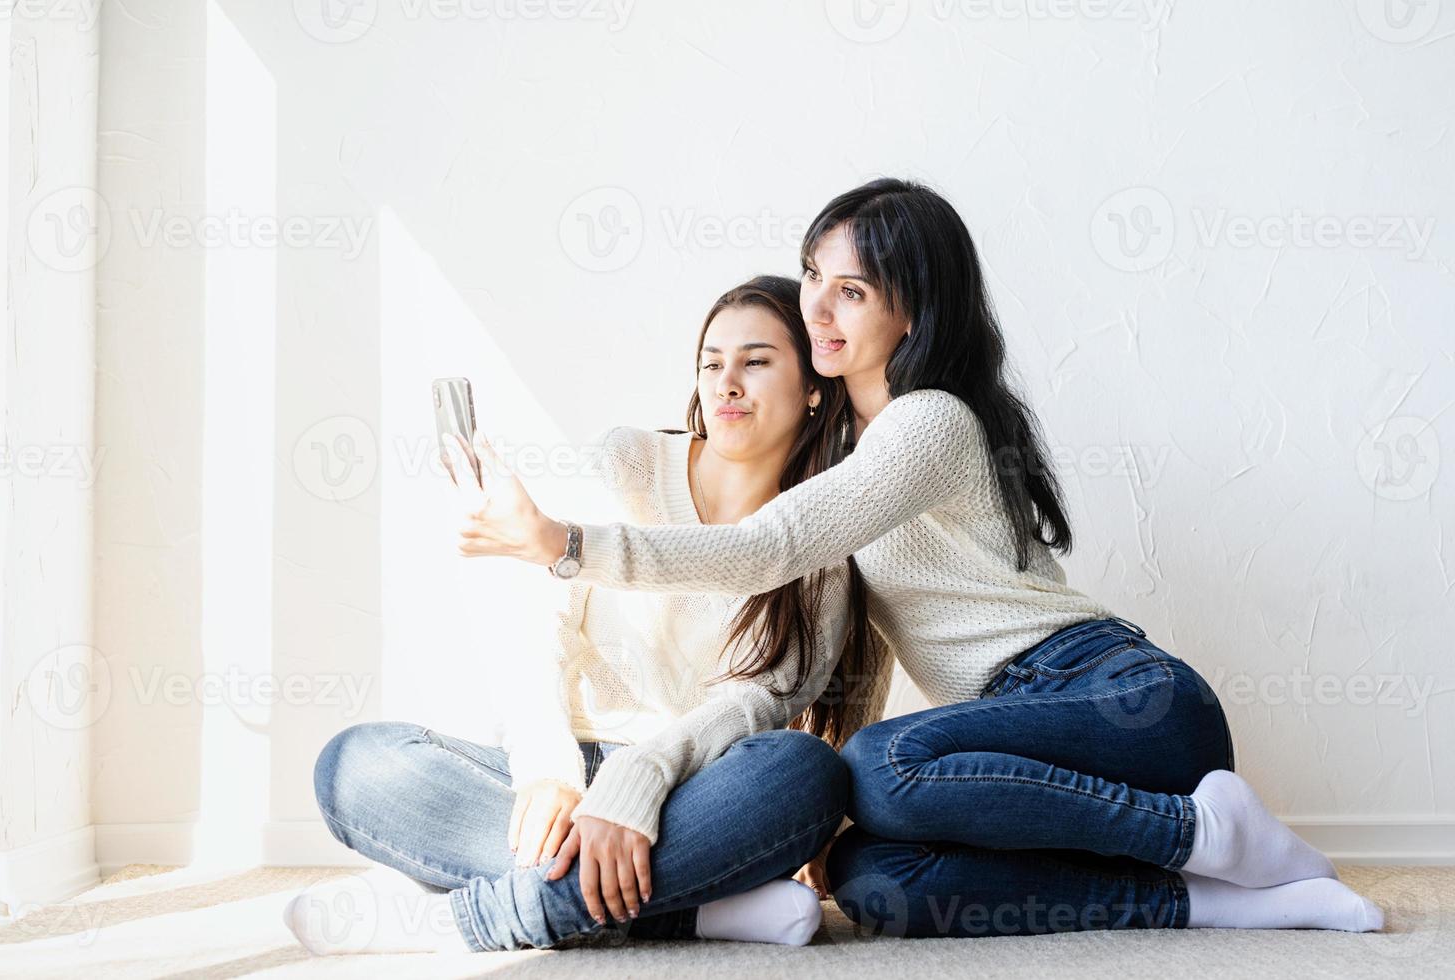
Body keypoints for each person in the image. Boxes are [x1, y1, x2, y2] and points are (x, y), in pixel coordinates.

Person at [449, 178, 1384, 937]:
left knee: (884, 771)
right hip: (1022, 737)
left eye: (850, 290)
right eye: (813, 274)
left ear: (912, 313)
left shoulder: (927, 422)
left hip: (1120, 703)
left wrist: (563, 545)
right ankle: (1207, 898)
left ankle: (1198, 830)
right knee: (872, 874)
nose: (817, 303)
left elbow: (763, 548)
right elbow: (870, 641)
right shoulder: (851, 457)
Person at [283, 275, 891, 955]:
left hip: (690, 792)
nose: (726, 384)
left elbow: (750, 707)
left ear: (813, 387)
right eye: (711, 364)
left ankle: (472, 918)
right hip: (571, 769)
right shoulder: (628, 462)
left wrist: (636, 788)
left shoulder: (819, 551)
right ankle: (692, 911)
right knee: (356, 765)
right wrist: (548, 771)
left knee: (803, 774)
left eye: (755, 362)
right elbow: (540, 627)